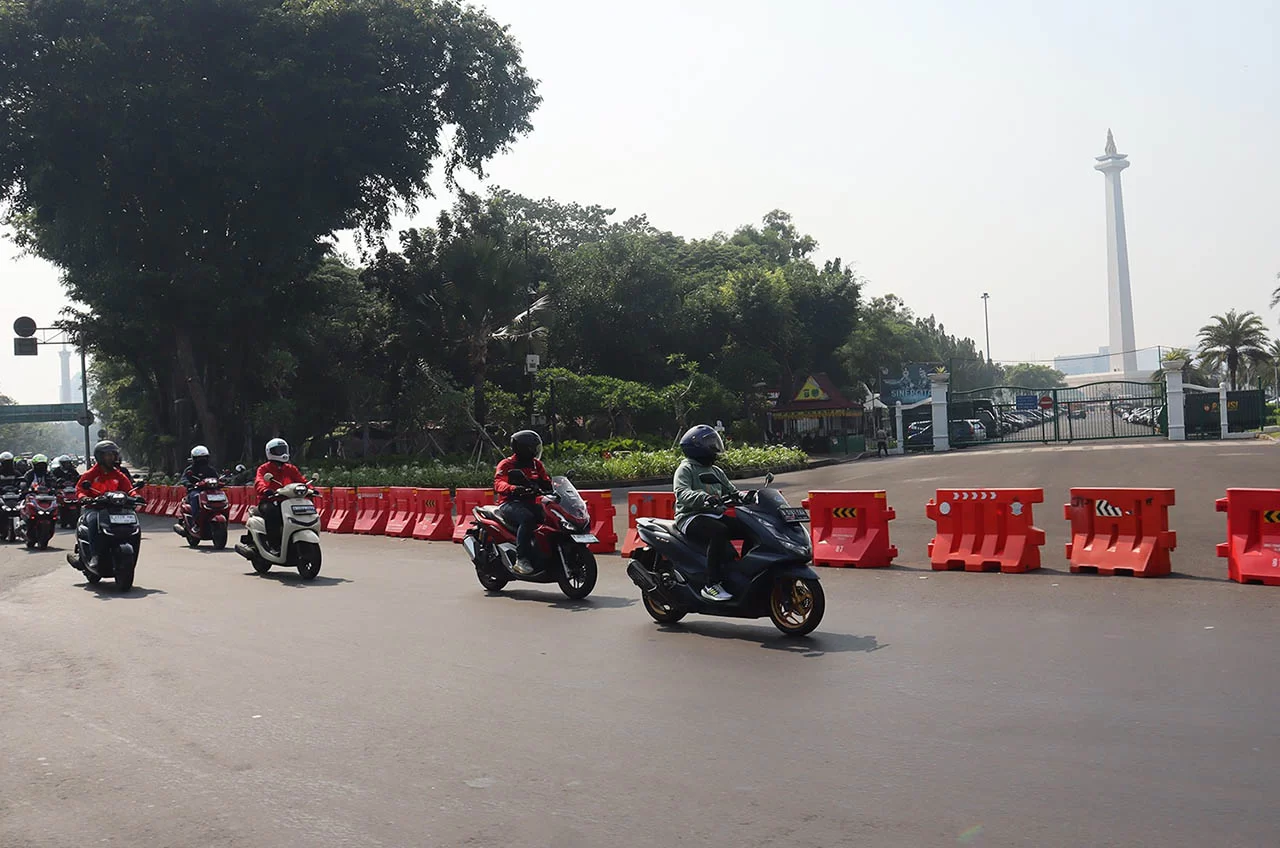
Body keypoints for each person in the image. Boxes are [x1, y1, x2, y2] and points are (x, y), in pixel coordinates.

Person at [673, 423, 746, 602]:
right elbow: (681, 493)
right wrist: (703, 497)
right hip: (690, 517)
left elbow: (732, 491)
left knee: (748, 527)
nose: (714, 448)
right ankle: (711, 584)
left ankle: (744, 570)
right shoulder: (686, 469)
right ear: (697, 447)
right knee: (719, 531)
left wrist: (748, 496)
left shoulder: (716, 471)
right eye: (710, 444)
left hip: (714, 515)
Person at [493, 430, 553, 575]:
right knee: (527, 519)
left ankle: (546, 553)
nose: (535, 451)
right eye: (533, 448)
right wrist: (513, 488)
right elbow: (498, 483)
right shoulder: (507, 464)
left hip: (531, 503)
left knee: (552, 517)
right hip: (509, 503)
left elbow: (546, 481)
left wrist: (553, 487)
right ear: (524, 449)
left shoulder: (536, 465)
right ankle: (522, 559)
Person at [73, 440, 134, 571]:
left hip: (116, 509)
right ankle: (95, 555)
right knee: (94, 521)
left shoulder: (118, 474)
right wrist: (85, 498)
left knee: (132, 520)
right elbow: (79, 490)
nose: (110, 458)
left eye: (112, 455)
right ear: (100, 457)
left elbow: (129, 489)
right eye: (107, 455)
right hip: (95, 509)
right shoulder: (90, 474)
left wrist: (135, 495)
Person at [253, 438, 308, 553]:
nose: (282, 453)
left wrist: (311, 489)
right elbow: (259, 481)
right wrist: (265, 490)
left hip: (288, 500)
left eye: (283, 450)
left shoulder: (290, 468)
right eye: (278, 450)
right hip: (269, 501)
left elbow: (301, 480)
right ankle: (273, 545)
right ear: (270, 452)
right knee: (273, 513)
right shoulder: (264, 469)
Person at [180, 445, 218, 522]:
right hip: (195, 490)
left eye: (204, 458)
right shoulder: (190, 469)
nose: (202, 460)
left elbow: (217, 478)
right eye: (199, 458)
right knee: (195, 497)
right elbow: (184, 479)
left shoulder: (210, 469)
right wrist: (188, 484)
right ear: (194, 459)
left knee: (221, 495)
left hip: (210, 491)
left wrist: (221, 481)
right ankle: (196, 521)